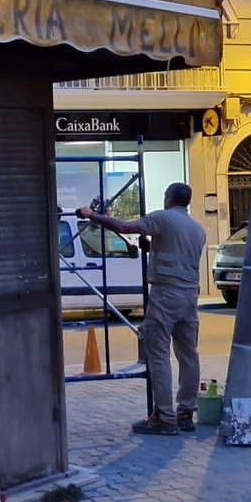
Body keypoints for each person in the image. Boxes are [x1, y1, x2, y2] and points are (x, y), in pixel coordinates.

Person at [77, 184, 206, 436]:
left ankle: (164, 418)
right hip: (190, 296)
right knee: (188, 354)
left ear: (168, 198)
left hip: (166, 294)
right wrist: (151, 248)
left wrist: (91, 215)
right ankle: (185, 412)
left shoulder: (163, 218)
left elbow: (124, 227)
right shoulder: (197, 229)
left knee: (157, 352)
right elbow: (173, 252)